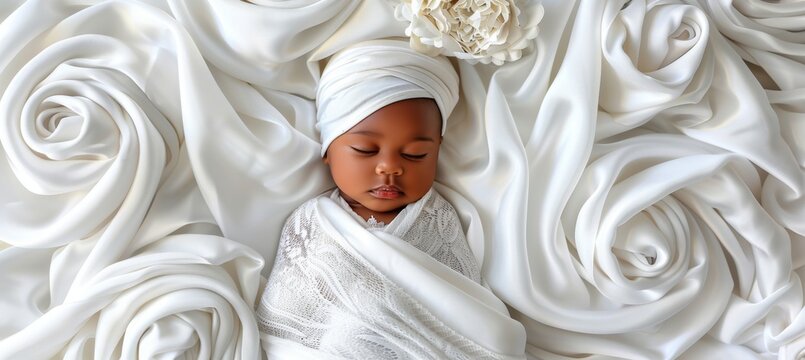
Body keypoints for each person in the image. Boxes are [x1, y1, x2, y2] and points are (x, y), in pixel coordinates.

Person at [255, 39, 526, 360]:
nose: (390, 167)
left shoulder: (439, 219)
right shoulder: (311, 222)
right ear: (328, 150)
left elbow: (468, 306)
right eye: (365, 151)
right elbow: (285, 314)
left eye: (416, 155)